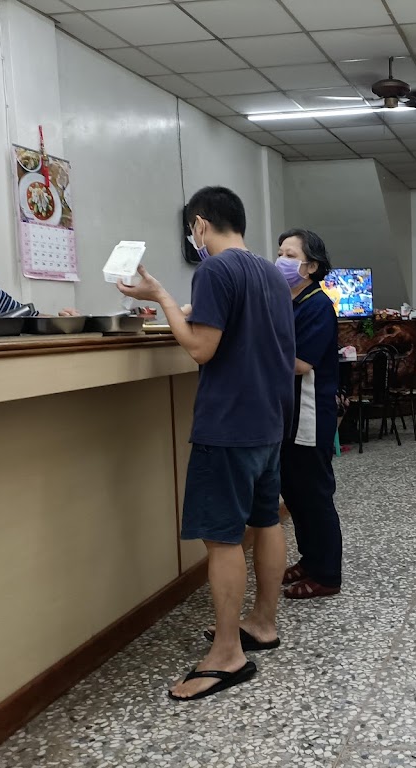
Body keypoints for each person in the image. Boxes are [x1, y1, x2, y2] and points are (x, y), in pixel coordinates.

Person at [117, 187, 295, 701]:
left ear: (199, 225)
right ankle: (262, 623)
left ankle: (226, 655)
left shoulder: (215, 270)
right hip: (266, 420)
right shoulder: (269, 271)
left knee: (222, 538)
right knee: (265, 520)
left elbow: (200, 348)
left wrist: (163, 299)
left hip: (229, 424)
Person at [274, 228, 343, 599]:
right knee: (295, 492)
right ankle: (311, 557)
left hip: (309, 414)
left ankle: (327, 574)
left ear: (310, 266)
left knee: (314, 493)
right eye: (280, 253)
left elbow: (301, 364)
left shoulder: (317, 305)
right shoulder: (290, 301)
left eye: (289, 255)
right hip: (288, 414)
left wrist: (255, 350)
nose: (281, 260)